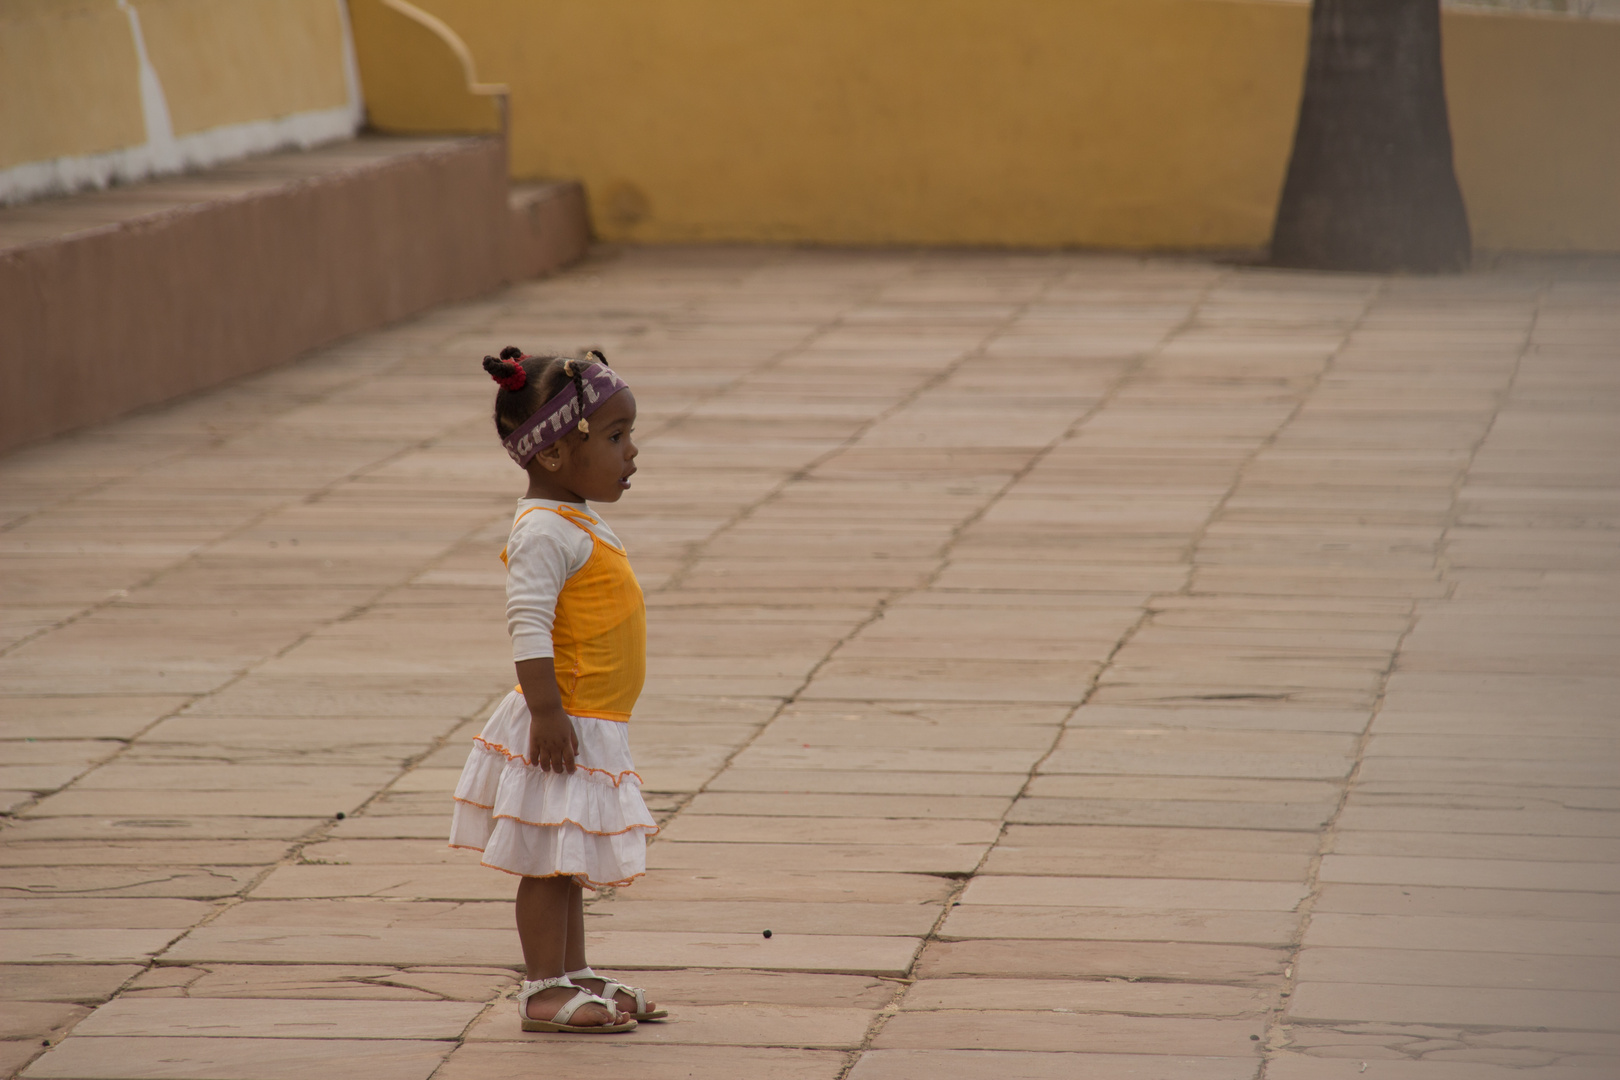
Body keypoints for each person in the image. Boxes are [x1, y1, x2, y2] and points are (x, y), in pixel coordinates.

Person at [449, 347, 665, 1034]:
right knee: (547, 864)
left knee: (565, 856)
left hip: (589, 719)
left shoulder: (573, 516)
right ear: (551, 456)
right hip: (562, 720)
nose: (632, 451)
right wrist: (546, 711)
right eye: (613, 437)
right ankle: (542, 989)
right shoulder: (544, 529)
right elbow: (528, 623)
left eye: (627, 434)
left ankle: (572, 972)